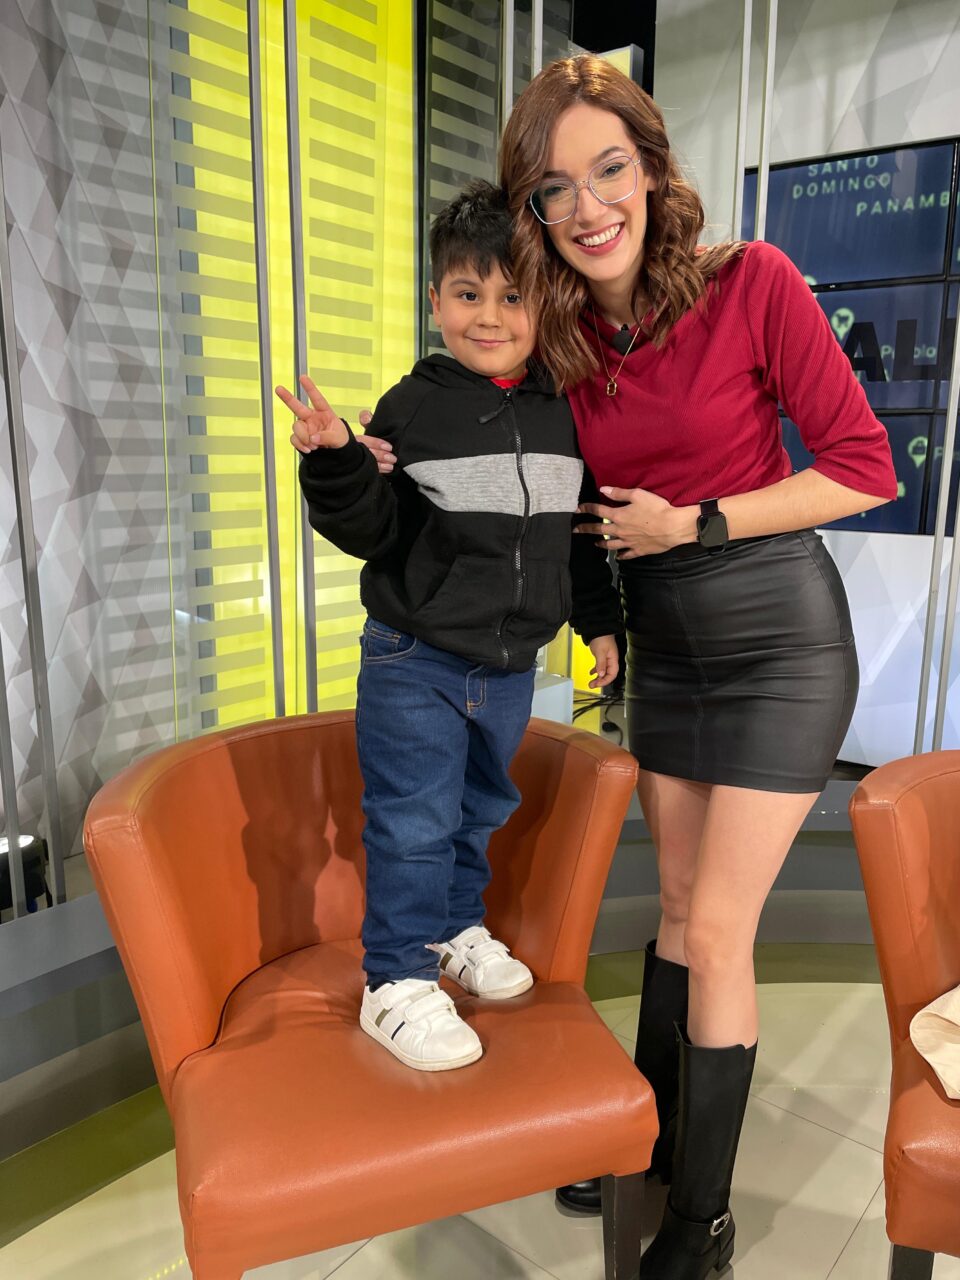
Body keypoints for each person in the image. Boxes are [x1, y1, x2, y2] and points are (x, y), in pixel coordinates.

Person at [494, 55, 898, 1278]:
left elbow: (864, 467)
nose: (588, 206)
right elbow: (563, 502)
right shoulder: (564, 341)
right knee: (674, 907)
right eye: (556, 187)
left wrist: (700, 521)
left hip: (778, 641)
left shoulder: (749, 281)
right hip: (665, 646)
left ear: (652, 170)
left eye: (609, 168)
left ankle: (702, 1218)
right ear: (533, 211)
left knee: (718, 927)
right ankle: (649, 1136)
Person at [275, 180, 622, 1074]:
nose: (490, 317)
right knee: (413, 822)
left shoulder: (563, 409)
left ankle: (457, 929)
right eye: (469, 294)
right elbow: (373, 529)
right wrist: (337, 461)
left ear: (547, 301)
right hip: (415, 658)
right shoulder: (413, 406)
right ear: (436, 301)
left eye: (513, 296)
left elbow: (578, 535)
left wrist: (600, 624)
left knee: (479, 811)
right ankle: (394, 980)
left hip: (509, 665)